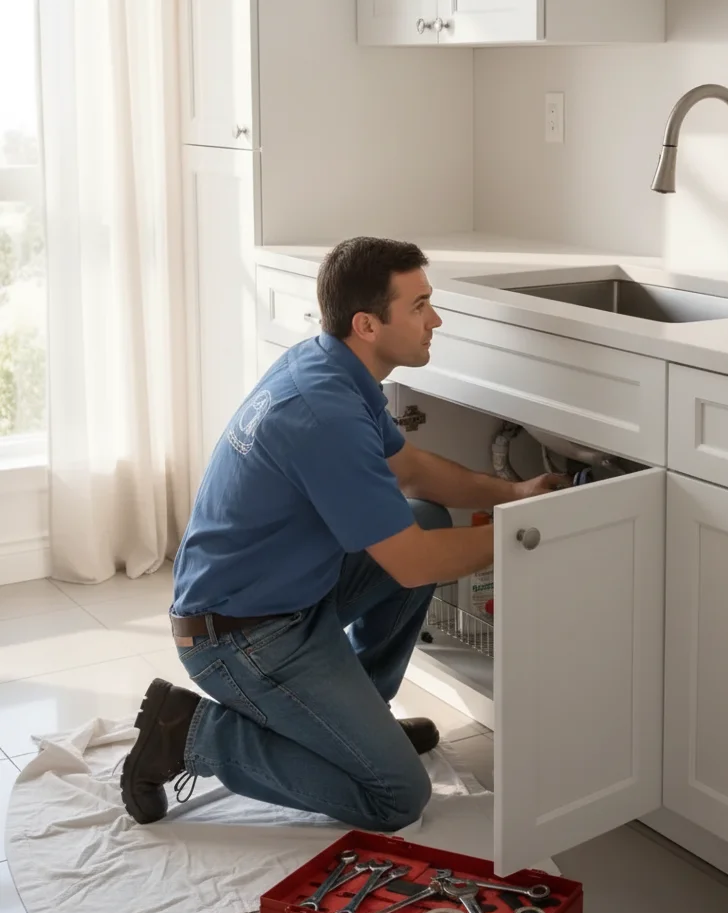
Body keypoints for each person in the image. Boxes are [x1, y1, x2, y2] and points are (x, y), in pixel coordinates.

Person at [120, 237, 565, 831]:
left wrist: (512, 495)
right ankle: (189, 735)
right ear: (367, 325)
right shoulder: (324, 413)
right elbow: (412, 563)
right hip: (238, 638)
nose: (435, 320)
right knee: (397, 797)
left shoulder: (330, 366)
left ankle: (361, 723)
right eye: (419, 306)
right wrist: (528, 531)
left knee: (425, 516)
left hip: (285, 596)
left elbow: (410, 470)